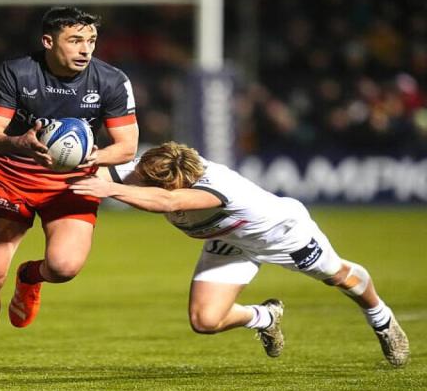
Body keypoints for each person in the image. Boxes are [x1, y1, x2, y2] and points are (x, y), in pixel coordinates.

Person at [67, 141, 410, 367]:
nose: (134, 179)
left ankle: (381, 318)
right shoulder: (157, 169)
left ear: (174, 184)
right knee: (205, 321)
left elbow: (168, 203)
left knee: (339, 277)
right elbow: (95, 173)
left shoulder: (214, 189)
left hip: (281, 235)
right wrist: (61, 158)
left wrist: (110, 189)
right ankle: (265, 318)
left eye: (141, 181)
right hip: (229, 240)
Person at [0, 6, 139, 380]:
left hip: (74, 182)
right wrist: (18, 142)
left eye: (90, 41)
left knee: (64, 267)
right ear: (48, 41)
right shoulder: (16, 72)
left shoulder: (111, 80)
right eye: (75, 40)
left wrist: (90, 156)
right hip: (13, 177)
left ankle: (30, 277)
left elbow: (126, 147)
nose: (85, 49)